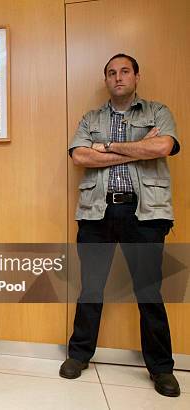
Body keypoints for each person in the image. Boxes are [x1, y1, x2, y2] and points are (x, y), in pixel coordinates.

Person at [61, 54, 181, 397]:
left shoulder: (157, 112)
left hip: (145, 215)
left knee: (149, 292)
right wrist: (140, 150)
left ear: (136, 76)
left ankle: (161, 369)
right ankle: (79, 355)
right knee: (91, 289)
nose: (118, 77)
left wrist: (109, 146)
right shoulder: (91, 118)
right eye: (112, 73)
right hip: (97, 215)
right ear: (106, 80)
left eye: (124, 71)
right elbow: (80, 155)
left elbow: (165, 145)